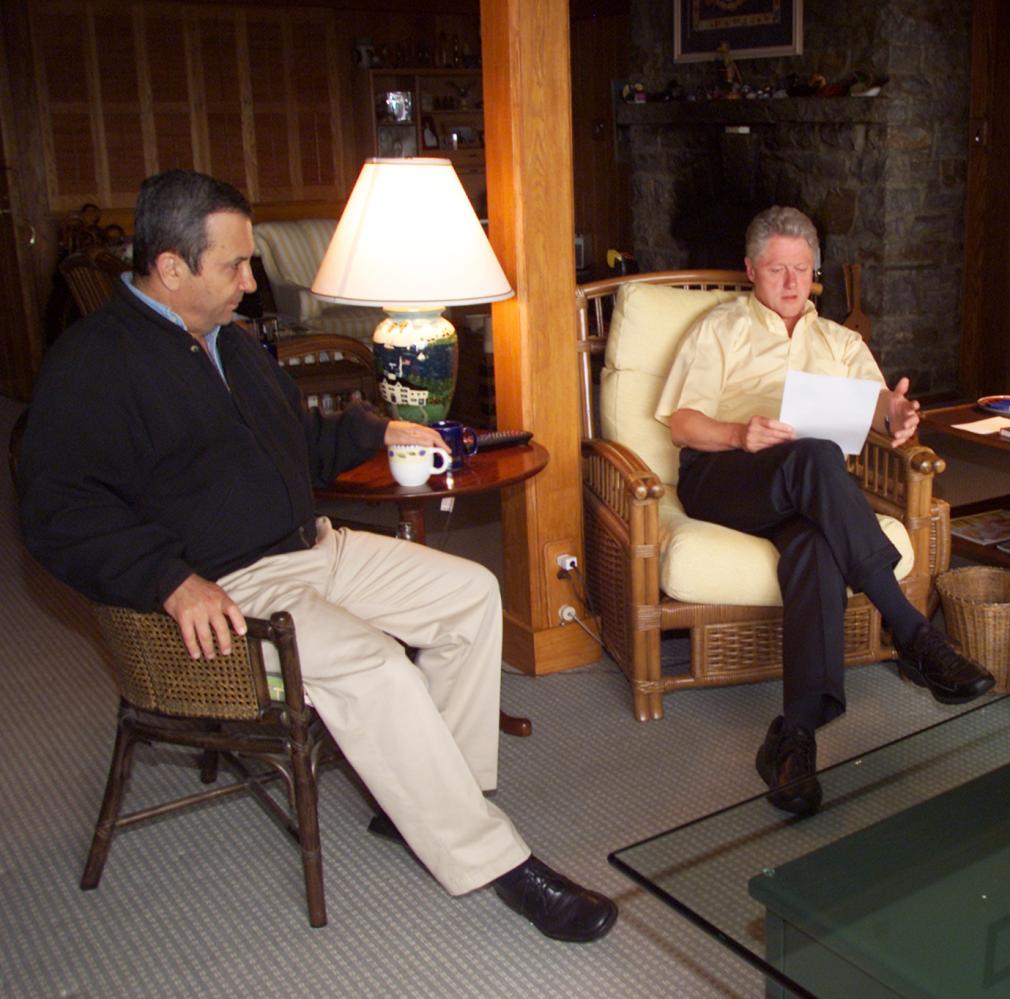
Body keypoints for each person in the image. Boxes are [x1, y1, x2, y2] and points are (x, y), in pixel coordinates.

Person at [17, 170, 615, 943]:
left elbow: (295, 441)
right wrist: (168, 577)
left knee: (469, 594)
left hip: (313, 545)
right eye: (232, 264)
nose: (250, 278)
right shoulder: (94, 365)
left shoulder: (229, 341)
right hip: (231, 585)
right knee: (373, 664)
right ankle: (496, 861)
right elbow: (58, 510)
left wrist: (379, 431)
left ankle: (431, 803)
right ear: (170, 267)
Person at [655, 205, 994, 816]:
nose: (790, 283)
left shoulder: (842, 341)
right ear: (751, 271)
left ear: (816, 274)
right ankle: (911, 629)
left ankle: (794, 738)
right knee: (814, 456)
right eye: (777, 269)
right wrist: (738, 435)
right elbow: (681, 423)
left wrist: (899, 417)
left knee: (814, 547)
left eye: (802, 270)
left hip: (805, 495)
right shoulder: (720, 329)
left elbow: (881, 409)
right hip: (724, 478)